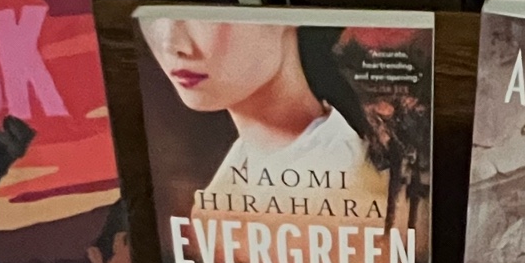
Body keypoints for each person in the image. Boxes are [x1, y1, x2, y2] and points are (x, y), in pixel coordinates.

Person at [139, 17, 368, 187]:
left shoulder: (349, 175)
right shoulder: (237, 170)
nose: (171, 44)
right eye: (153, 14)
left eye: (205, 14)